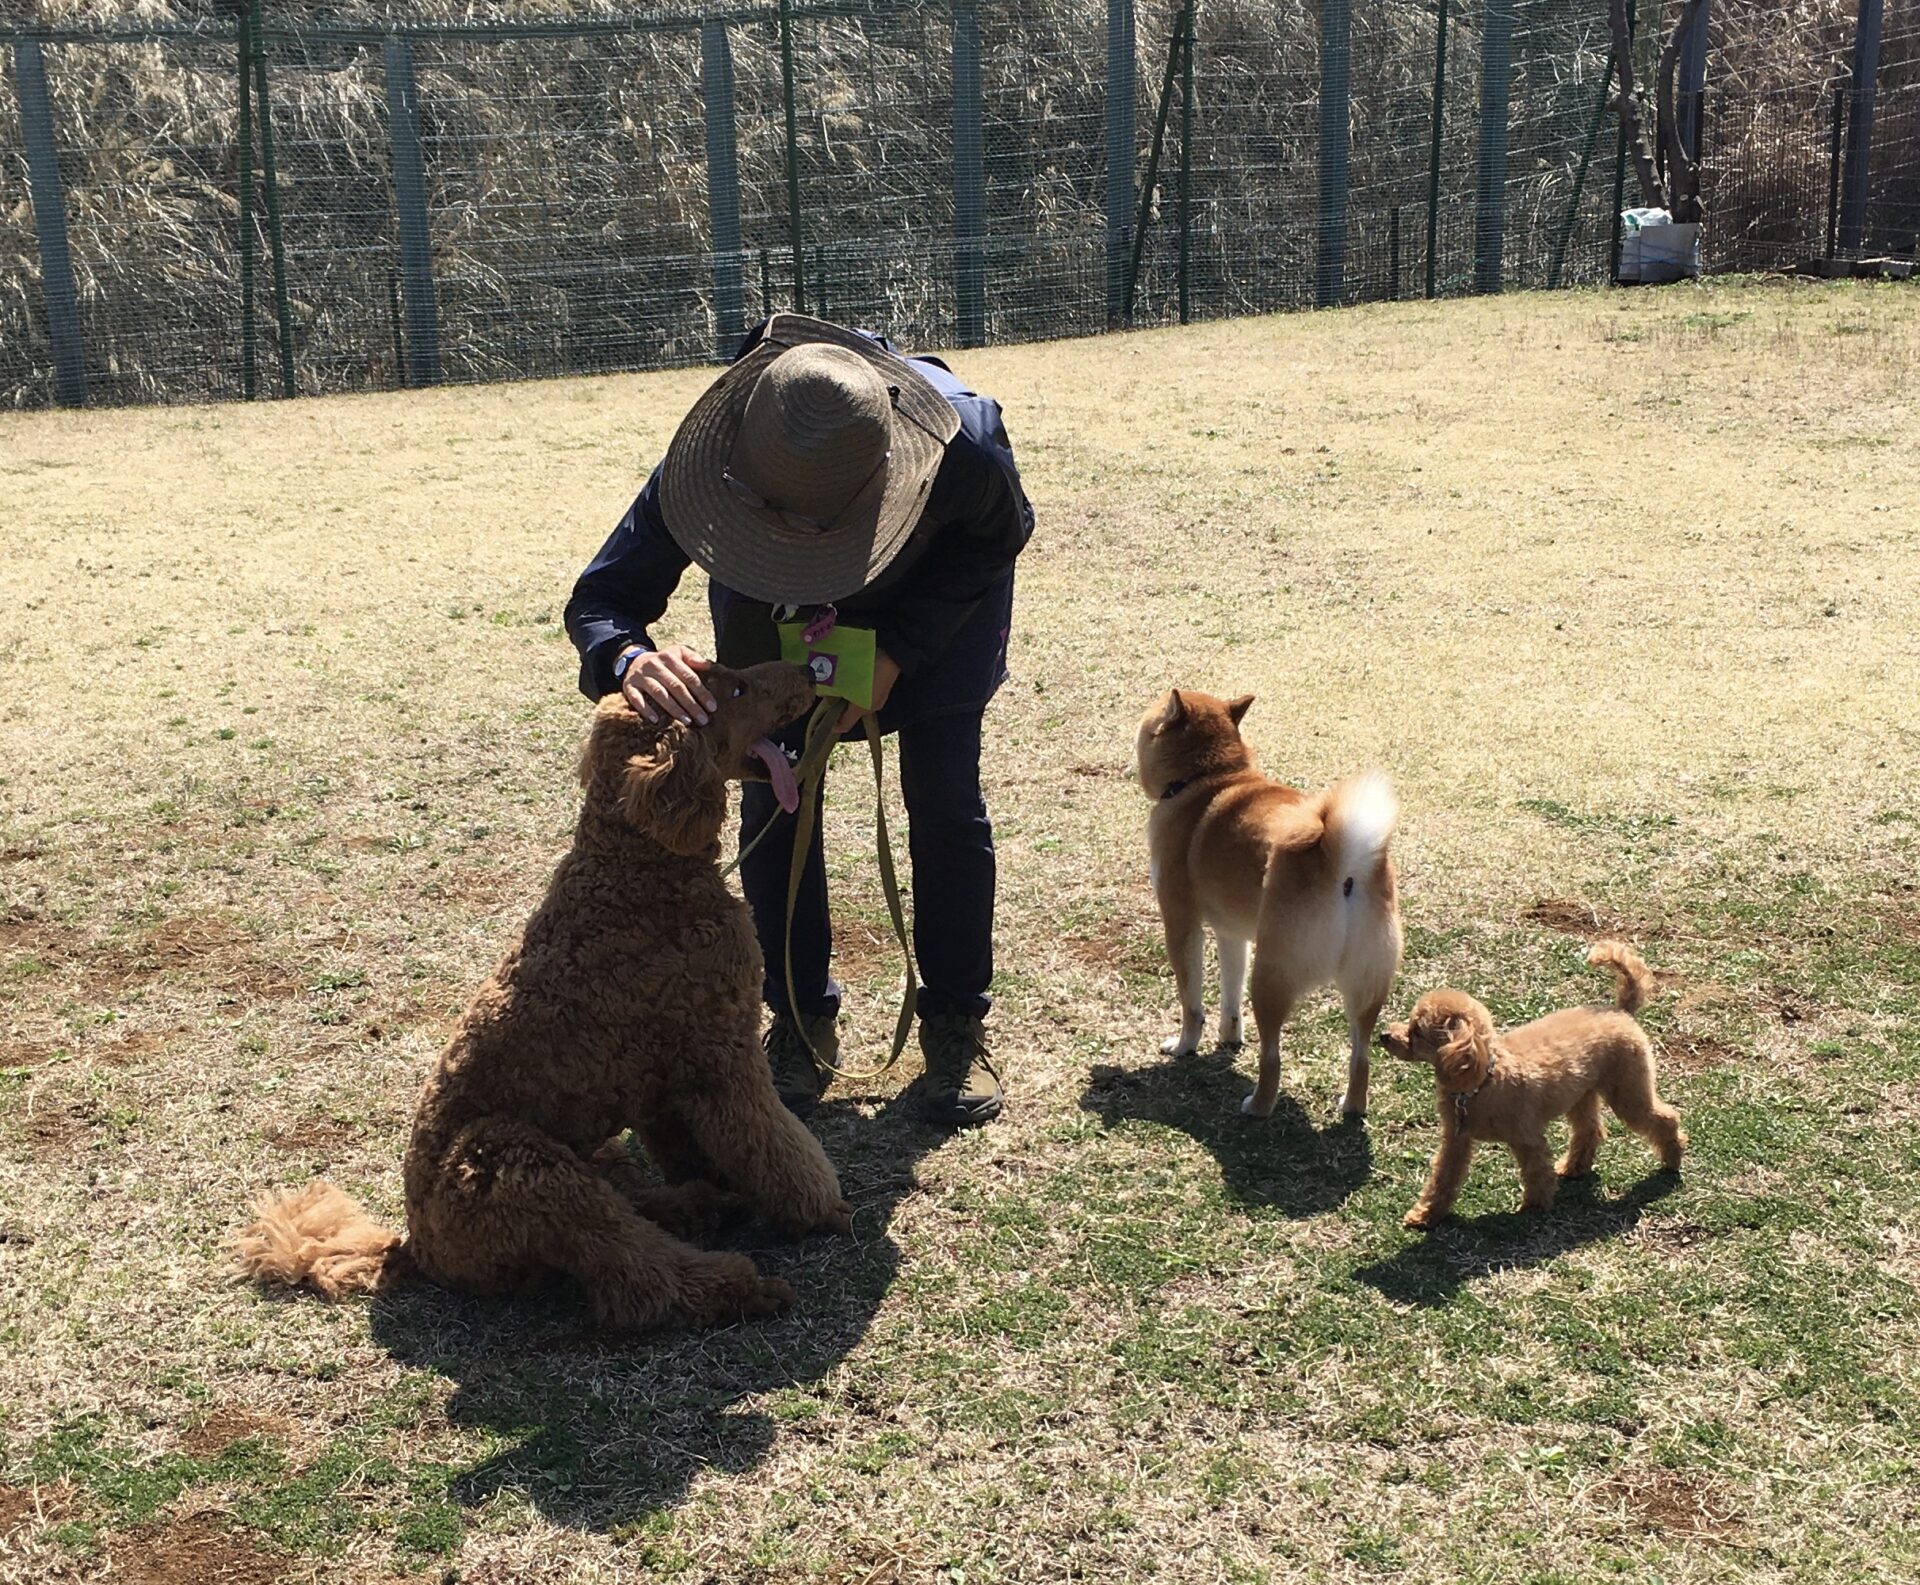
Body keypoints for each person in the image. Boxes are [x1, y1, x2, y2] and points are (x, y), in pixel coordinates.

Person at [565, 314, 1033, 1127]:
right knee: (776, 799)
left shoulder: (964, 448)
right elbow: (603, 597)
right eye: (776, 521)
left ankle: (956, 1023)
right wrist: (632, 660)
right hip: (772, 615)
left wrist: (900, 651)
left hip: (939, 612)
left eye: (818, 528)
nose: (803, 538)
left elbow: (1001, 535)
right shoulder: (714, 459)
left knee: (945, 798)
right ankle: (798, 1017)